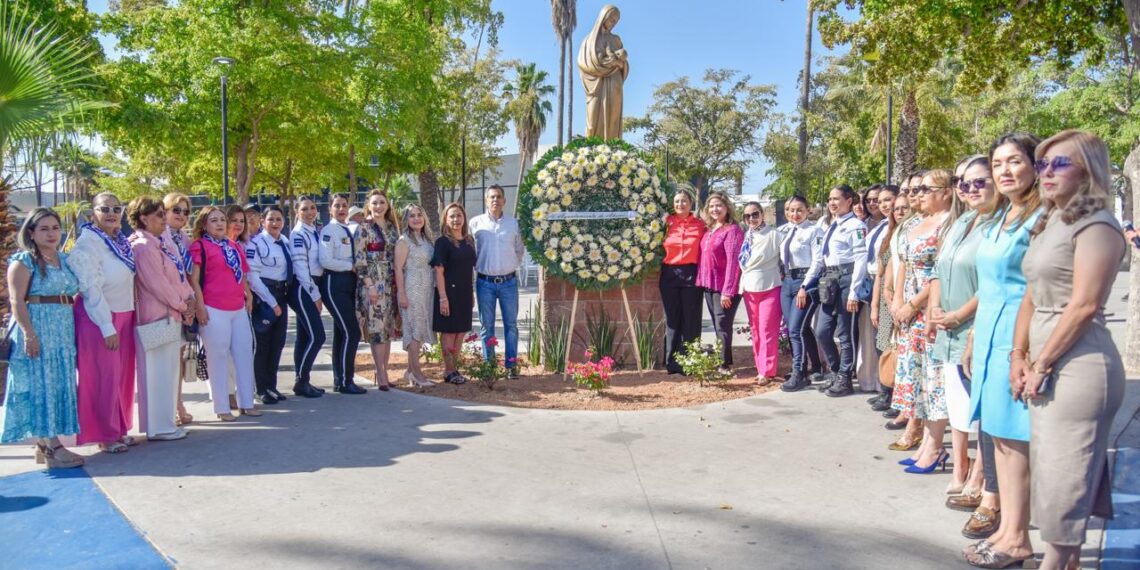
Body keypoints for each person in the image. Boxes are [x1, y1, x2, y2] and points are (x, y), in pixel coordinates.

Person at [1007, 131, 1125, 570]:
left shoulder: (1097, 224)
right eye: (1043, 164)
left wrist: (1040, 362)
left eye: (1060, 163)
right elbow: (1031, 295)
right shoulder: (1051, 220)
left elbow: (1084, 305)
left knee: (1064, 480)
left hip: (1079, 365)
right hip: (1046, 360)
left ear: (1088, 171)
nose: (1046, 172)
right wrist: (1018, 356)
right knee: (1057, 475)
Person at [962, 133, 1043, 562]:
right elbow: (989, 287)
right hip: (989, 338)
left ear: (1035, 165)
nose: (1004, 171)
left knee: (1016, 440)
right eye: (997, 164)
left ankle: (1017, 536)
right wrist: (974, 336)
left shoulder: (1043, 218)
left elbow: (1037, 289)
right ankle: (1008, 532)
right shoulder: (1000, 218)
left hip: (1019, 340)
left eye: (1014, 161)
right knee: (999, 438)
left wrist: (1023, 352)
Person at [928, 156, 991, 505]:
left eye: (977, 181)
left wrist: (958, 315)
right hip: (947, 328)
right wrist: (935, 311)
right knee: (957, 403)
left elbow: (993, 282)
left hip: (973, 326)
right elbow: (938, 270)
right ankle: (960, 468)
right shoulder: (962, 221)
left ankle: (980, 474)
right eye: (961, 183)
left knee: (979, 408)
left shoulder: (997, 225)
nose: (967, 188)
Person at [892, 169, 962, 472]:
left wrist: (913, 304)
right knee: (917, 376)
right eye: (916, 189)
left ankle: (934, 446)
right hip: (908, 309)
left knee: (934, 379)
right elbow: (903, 265)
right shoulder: (916, 223)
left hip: (929, 307)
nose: (918, 194)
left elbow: (939, 273)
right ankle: (925, 442)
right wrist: (898, 301)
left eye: (925, 189)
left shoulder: (951, 224)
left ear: (946, 192)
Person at [2, 208, 83, 467]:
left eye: (55, 228)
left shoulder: (65, 259)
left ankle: (44, 444)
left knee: (58, 383)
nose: (51, 233)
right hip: (38, 326)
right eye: (44, 229)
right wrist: (29, 334)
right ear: (31, 233)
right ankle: (53, 447)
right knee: (42, 384)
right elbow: (17, 301)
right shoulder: (24, 261)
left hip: (62, 328)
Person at [67, 192, 138, 454]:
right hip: (99, 318)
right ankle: (104, 434)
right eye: (104, 209)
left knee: (120, 378)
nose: (111, 214)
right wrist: (107, 326)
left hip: (124, 313)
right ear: (93, 213)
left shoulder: (119, 241)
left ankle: (118, 428)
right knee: (102, 378)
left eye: (116, 209)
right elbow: (90, 288)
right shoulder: (88, 243)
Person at [128, 196, 194, 441]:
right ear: (143, 218)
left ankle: (166, 423)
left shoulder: (159, 242)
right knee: (156, 375)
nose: (164, 218)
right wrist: (182, 305)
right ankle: (158, 427)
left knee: (168, 373)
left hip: (171, 314)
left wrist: (188, 299)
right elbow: (157, 284)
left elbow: (178, 276)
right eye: (158, 214)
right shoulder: (143, 246)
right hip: (155, 317)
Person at [189, 206, 261, 421]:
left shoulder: (233, 245)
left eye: (222, 219)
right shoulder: (199, 246)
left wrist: (248, 294)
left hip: (237, 308)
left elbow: (242, 274)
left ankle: (247, 403)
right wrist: (200, 307)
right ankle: (222, 408)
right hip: (213, 308)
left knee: (244, 355)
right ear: (204, 224)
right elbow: (194, 280)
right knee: (218, 358)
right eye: (214, 220)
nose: (220, 223)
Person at [804, 184, 868, 397]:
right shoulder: (831, 225)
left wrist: (854, 291)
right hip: (829, 278)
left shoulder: (855, 225)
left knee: (845, 333)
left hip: (846, 278)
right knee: (822, 330)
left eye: (836, 199)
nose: (832, 203)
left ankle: (845, 378)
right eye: (830, 199)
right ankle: (835, 370)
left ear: (849, 200)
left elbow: (860, 258)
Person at [469, 185, 525, 377]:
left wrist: (509, 265)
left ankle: (511, 366)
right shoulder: (475, 223)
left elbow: (519, 250)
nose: (495, 200)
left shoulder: (513, 224)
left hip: (509, 282)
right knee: (487, 327)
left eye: (499, 197)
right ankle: (490, 367)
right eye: (492, 197)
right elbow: (471, 252)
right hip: (484, 283)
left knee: (511, 326)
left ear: (504, 200)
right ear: (486, 200)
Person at [319, 194, 367, 394]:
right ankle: (347, 380)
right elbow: (325, 260)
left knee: (342, 333)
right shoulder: (329, 231)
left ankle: (339, 380)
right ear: (330, 208)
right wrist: (350, 266)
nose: (341, 209)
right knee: (352, 332)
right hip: (335, 283)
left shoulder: (346, 228)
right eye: (337, 206)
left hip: (348, 283)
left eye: (344, 205)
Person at [248, 205, 294, 404]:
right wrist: (271, 301)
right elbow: (253, 277)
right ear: (262, 222)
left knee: (277, 343)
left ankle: (271, 386)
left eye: (279, 219)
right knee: (263, 344)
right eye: (271, 219)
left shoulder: (285, 241)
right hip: (265, 296)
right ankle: (260, 389)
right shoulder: (256, 243)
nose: (275, 223)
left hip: (281, 294)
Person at [779, 196, 825, 392]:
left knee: (796, 329)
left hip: (804, 281)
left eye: (799, 210)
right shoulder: (784, 231)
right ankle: (814, 366)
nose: (795, 214)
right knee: (798, 328)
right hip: (787, 281)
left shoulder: (813, 231)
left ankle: (799, 372)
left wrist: (805, 287)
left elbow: (818, 261)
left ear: (808, 210)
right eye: (791, 210)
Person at [356, 191, 401, 390]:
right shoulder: (363, 228)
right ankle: (380, 372)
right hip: (373, 285)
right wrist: (370, 285)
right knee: (376, 329)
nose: (378, 206)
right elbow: (359, 260)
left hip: (391, 285)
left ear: (388, 205)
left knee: (388, 329)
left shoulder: (392, 228)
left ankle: (385, 370)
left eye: (382, 202)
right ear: (368, 205)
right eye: (374, 203)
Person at [696, 191, 744, 371]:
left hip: (724, 287)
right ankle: (723, 360)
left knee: (722, 324)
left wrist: (727, 291)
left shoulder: (732, 230)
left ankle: (723, 365)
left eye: (719, 205)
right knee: (718, 324)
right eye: (711, 206)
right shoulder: (710, 229)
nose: (715, 209)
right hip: (709, 285)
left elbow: (733, 263)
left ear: (727, 208)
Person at [660, 188, 706, 375]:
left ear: (691, 203)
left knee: (691, 318)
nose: (680, 204)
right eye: (677, 201)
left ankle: (690, 360)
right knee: (673, 319)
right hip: (669, 273)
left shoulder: (700, 225)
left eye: (684, 201)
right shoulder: (666, 223)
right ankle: (672, 362)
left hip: (692, 273)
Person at [857, 185, 897, 395]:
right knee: (878, 339)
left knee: (885, 338)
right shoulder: (881, 226)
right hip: (874, 281)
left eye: (887, 200)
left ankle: (888, 390)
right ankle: (883, 387)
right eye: (879, 201)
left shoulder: (897, 227)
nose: (881, 205)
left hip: (890, 285)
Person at [869, 195, 908, 409]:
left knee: (898, 348)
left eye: (904, 208)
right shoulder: (890, 235)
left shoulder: (910, 235)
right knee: (882, 345)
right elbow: (880, 275)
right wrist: (874, 306)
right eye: (896, 209)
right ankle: (886, 390)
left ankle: (895, 397)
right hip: (885, 300)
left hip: (901, 298)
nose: (899, 212)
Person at [737, 201, 782, 385]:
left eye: (755, 214)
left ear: (762, 214)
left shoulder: (774, 235)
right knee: (755, 330)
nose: (751, 219)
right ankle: (760, 367)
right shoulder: (747, 235)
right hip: (749, 288)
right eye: (747, 216)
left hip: (769, 286)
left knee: (767, 330)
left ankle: (767, 370)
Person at [432, 202, 477, 385]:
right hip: (448, 293)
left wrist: (471, 293)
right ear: (445, 219)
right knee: (449, 332)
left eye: (459, 215)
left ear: (464, 217)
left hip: (465, 292)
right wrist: (443, 298)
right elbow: (438, 271)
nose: (456, 219)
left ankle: (454, 368)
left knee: (461, 331)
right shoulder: (442, 242)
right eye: (451, 216)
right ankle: (448, 370)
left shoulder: (469, 241)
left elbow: (469, 270)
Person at [163, 192, 196, 425]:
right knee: (169, 362)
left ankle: (178, 403)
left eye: (186, 211)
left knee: (180, 359)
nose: (182, 215)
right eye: (176, 210)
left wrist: (191, 303)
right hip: (167, 307)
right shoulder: (160, 237)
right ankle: (170, 409)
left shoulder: (185, 239)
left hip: (186, 306)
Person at [395, 204, 436, 388]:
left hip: (426, 289)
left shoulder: (426, 239)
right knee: (414, 330)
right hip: (412, 289)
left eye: (419, 215)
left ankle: (410, 371)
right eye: (412, 216)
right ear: (407, 219)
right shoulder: (404, 241)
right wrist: (402, 294)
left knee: (419, 329)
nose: (417, 218)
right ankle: (417, 374)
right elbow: (398, 268)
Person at [289, 196, 325, 397]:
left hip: (312, 284)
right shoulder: (298, 234)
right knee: (318, 336)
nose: (310, 212)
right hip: (304, 287)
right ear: (297, 212)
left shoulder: (314, 231)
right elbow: (301, 268)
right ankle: (301, 381)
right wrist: (315, 295)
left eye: (313, 208)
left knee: (304, 337)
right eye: (304, 209)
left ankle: (303, 380)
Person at [577, 4, 628, 140]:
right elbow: (584, 63)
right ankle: (592, 150)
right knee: (592, 123)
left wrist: (621, 63)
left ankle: (613, 149)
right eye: (611, 19)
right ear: (603, 17)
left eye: (615, 21)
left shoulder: (616, 40)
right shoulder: (590, 41)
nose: (613, 23)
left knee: (613, 119)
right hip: (597, 86)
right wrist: (607, 64)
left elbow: (624, 62)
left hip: (614, 84)